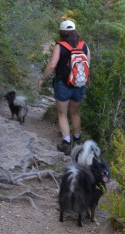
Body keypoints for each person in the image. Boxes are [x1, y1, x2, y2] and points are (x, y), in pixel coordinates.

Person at [39, 20, 91, 155]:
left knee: (62, 114)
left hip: (63, 84)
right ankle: (78, 141)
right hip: (79, 84)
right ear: (75, 31)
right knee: (75, 113)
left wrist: (42, 79)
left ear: (61, 32)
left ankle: (67, 144)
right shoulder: (84, 45)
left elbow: (52, 65)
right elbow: (88, 65)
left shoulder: (59, 46)